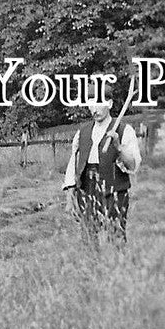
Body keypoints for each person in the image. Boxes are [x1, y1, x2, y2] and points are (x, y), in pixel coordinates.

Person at [62, 82, 141, 243]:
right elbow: (74, 161)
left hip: (115, 190)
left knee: (116, 238)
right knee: (88, 238)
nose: (94, 109)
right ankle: (93, 266)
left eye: (99, 103)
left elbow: (132, 165)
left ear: (110, 104)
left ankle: (117, 266)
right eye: (90, 103)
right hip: (87, 188)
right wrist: (70, 193)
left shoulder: (124, 130)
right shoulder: (82, 132)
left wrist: (118, 147)